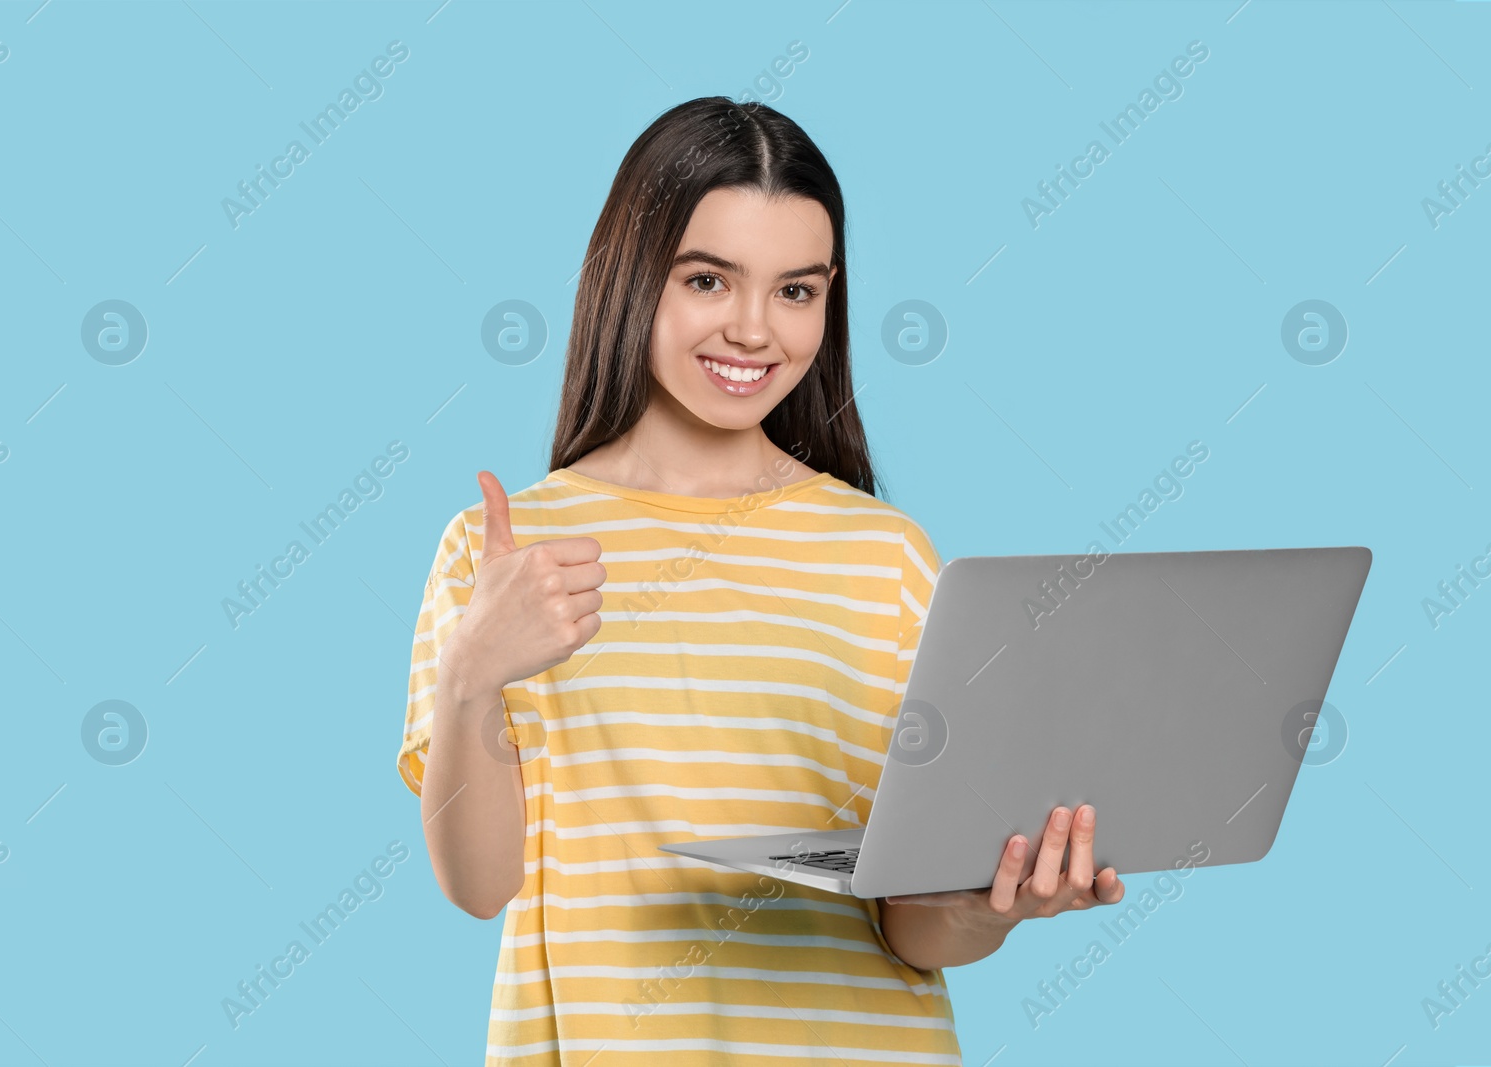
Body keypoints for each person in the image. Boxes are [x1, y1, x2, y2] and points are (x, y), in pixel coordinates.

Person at [396, 96, 1126, 1067]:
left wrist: (988, 907)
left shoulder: (886, 555)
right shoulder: (506, 551)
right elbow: (480, 883)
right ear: (630, 276)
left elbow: (912, 927)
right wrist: (471, 674)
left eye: (796, 291)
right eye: (708, 279)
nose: (753, 330)